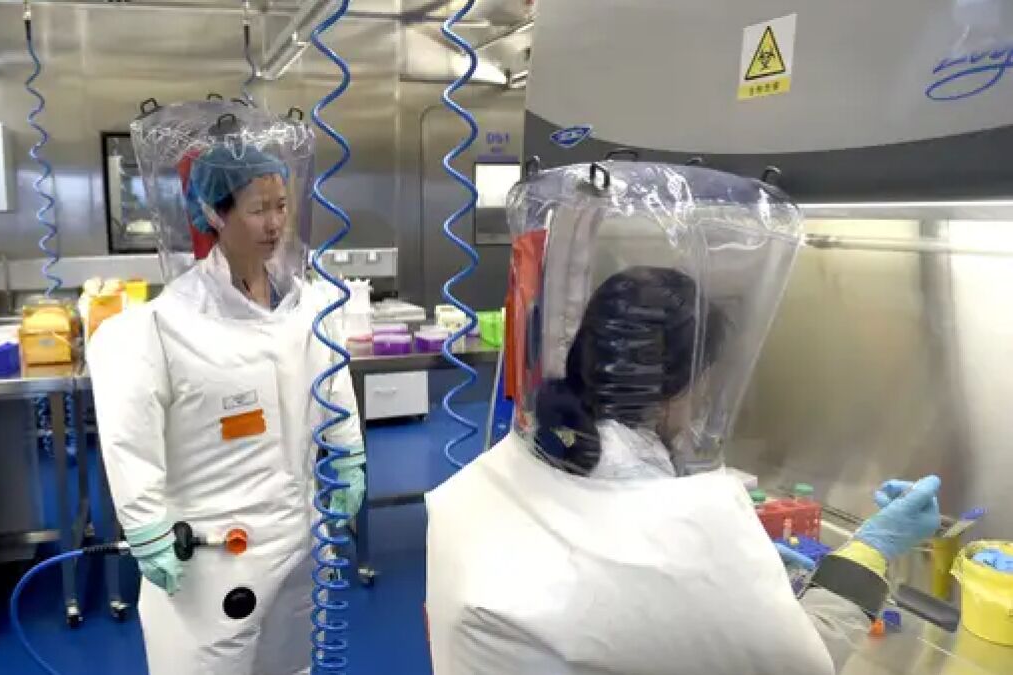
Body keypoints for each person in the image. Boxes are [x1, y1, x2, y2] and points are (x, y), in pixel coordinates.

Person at [424, 162, 942, 674]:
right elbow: (803, 665)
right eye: (703, 381)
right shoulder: (677, 524)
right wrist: (871, 550)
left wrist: (735, 586)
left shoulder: (514, 465)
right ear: (679, 389)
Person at [89, 107, 365, 675]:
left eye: (281, 206)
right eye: (258, 209)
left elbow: (332, 385)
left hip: (299, 539)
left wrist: (349, 451)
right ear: (214, 214)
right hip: (214, 558)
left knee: (292, 666)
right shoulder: (161, 327)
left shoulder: (311, 308)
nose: (274, 223)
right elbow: (130, 436)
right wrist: (146, 527)